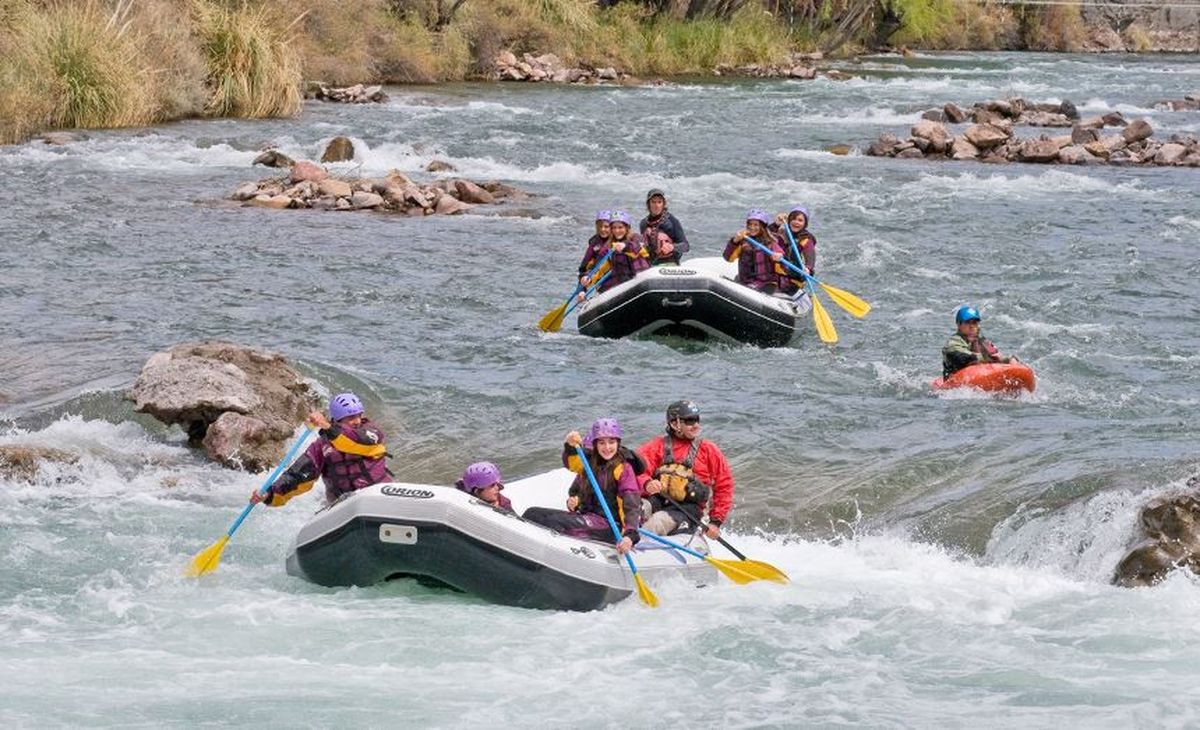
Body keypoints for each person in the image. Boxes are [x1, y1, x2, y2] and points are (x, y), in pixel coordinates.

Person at [522, 418, 644, 554]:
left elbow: (631, 504)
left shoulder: (623, 469)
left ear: (618, 443)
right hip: (588, 516)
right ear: (595, 444)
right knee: (532, 513)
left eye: (611, 442)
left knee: (554, 522)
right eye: (602, 443)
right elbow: (572, 463)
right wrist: (570, 446)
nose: (607, 447)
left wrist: (629, 535)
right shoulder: (590, 463)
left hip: (610, 526)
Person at [250, 392, 391, 507]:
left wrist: (328, 427)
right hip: (343, 504)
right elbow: (298, 475)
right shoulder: (321, 447)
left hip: (376, 493)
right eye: (351, 417)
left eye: (359, 415)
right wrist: (269, 494)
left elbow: (353, 442)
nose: (357, 421)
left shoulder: (371, 432)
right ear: (337, 420)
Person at [636, 400, 734, 538]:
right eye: (689, 421)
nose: (696, 425)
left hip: (688, 510)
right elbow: (635, 471)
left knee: (657, 522)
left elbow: (724, 486)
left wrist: (715, 522)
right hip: (658, 500)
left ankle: (634, 544)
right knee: (636, 508)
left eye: (697, 420)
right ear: (674, 424)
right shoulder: (656, 446)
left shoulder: (708, 450)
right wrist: (647, 483)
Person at [577, 210, 649, 298]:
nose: (617, 231)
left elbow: (640, 248)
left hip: (639, 282)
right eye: (614, 228)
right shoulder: (608, 247)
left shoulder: (636, 238)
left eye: (620, 227)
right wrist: (588, 279)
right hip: (618, 287)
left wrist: (625, 246)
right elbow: (599, 267)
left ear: (627, 228)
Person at [942, 305, 1020, 378]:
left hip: (979, 374)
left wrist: (1008, 360)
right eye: (967, 322)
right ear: (959, 324)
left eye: (974, 323)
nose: (971, 326)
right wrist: (986, 358)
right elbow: (963, 358)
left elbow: (996, 355)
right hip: (957, 378)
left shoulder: (982, 341)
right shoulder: (952, 343)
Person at [723, 208, 785, 294]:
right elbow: (728, 258)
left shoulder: (770, 242)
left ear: (762, 226)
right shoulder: (742, 240)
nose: (752, 227)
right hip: (745, 281)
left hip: (766, 283)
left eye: (756, 225)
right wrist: (734, 241)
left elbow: (781, 256)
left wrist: (779, 257)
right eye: (750, 224)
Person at [771, 205, 817, 295]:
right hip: (775, 273)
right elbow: (764, 237)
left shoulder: (806, 240)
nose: (796, 222)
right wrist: (776, 224)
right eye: (794, 219)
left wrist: (808, 269)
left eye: (800, 220)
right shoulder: (782, 232)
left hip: (792, 279)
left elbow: (810, 260)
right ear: (789, 221)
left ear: (805, 224)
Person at [639, 188, 689, 266]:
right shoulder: (643, 223)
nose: (657, 205)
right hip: (651, 264)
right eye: (653, 202)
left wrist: (672, 247)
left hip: (670, 262)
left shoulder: (672, 221)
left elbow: (685, 246)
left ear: (663, 204)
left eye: (659, 202)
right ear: (648, 204)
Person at [577, 210, 612, 283]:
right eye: (600, 226)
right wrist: (583, 287)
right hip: (601, 276)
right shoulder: (594, 243)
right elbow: (584, 267)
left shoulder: (619, 239)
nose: (602, 229)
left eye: (606, 227)